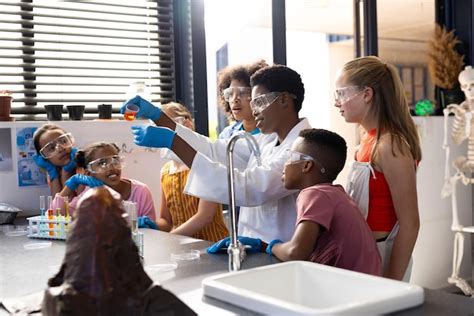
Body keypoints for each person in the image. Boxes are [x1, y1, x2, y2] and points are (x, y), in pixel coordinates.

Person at [123, 64, 311, 244]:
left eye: (259, 102)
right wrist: (159, 117)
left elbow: (249, 187)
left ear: (285, 100)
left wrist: (174, 142)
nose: (254, 110)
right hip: (256, 248)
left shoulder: (301, 150)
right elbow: (213, 150)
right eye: (253, 103)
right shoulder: (267, 141)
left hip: (280, 253)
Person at [334, 56, 421, 281]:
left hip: (383, 255)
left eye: (341, 93)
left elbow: (410, 223)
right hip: (360, 252)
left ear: (366, 94)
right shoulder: (365, 140)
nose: (336, 102)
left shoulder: (390, 144)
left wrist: (392, 280)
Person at [268, 129, 381, 275]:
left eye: (290, 157)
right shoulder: (334, 194)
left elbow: (295, 252)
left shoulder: (315, 194)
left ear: (306, 165)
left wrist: (272, 246)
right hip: (367, 286)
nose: (285, 163)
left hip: (352, 290)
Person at [157, 102, 228, 242]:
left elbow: (205, 216)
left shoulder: (205, 164)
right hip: (182, 249)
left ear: (187, 124)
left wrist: (169, 239)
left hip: (212, 245)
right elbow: (166, 220)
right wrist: (150, 225)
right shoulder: (165, 172)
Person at [51, 142, 157, 223]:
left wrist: (146, 225)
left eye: (115, 160)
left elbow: (152, 232)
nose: (111, 167)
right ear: (89, 173)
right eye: (102, 163)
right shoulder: (89, 195)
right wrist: (70, 184)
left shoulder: (140, 191)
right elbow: (55, 216)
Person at [217, 60, 267, 139]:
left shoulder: (272, 133)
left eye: (242, 92)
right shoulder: (227, 135)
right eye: (230, 93)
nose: (234, 99)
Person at [33, 124, 79, 196]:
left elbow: (70, 203)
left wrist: (66, 173)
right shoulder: (54, 171)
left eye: (63, 141)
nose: (61, 148)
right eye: (51, 148)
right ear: (45, 158)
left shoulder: (83, 170)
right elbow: (57, 205)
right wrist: (53, 175)